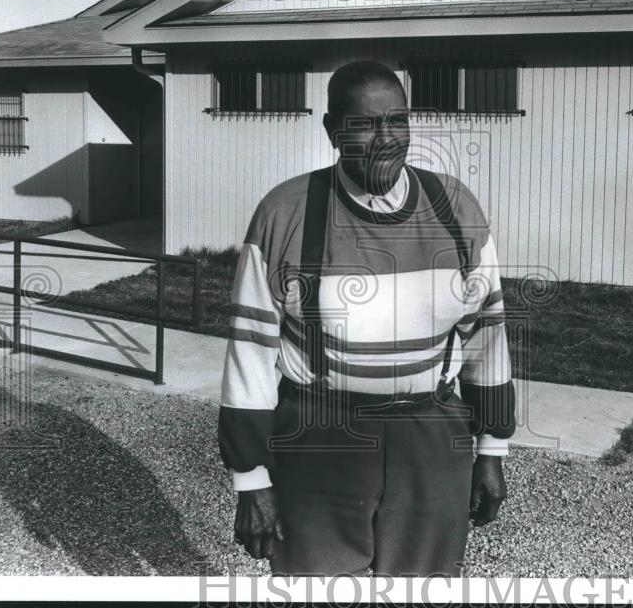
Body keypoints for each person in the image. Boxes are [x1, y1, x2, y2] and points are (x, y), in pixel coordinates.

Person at [217, 59, 515, 576]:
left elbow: (487, 336)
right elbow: (250, 353)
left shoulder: (455, 207)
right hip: (319, 436)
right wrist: (250, 479)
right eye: (365, 124)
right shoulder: (285, 212)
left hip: (430, 434)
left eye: (397, 120)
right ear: (333, 131)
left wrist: (492, 449)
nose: (386, 138)